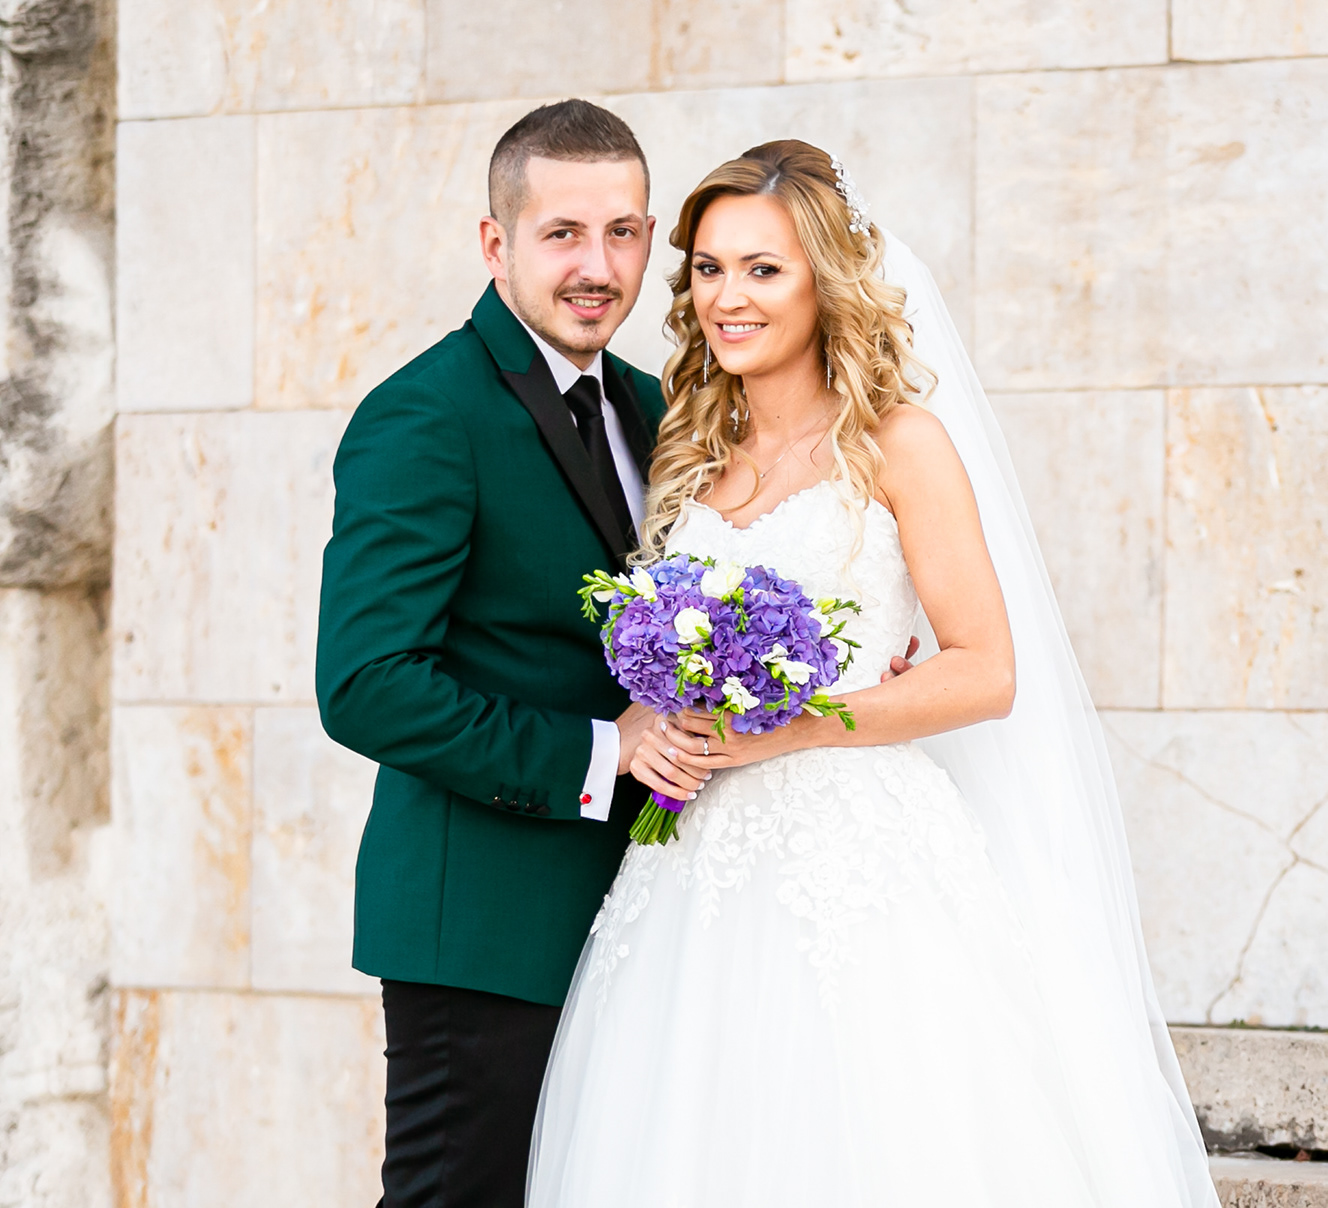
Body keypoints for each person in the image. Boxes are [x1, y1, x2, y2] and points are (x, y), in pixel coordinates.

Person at [526, 140, 1220, 1206]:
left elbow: (987, 670)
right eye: (709, 268)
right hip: (694, 864)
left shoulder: (901, 444)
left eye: (764, 268)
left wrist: (803, 721)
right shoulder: (689, 451)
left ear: (826, 280)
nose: (728, 297)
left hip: (858, 856)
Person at [315, 100, 715, 1205]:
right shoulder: (424, 413)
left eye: (622, 232)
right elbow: (365, 685)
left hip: (637, 916)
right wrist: (603, 750)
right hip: (483, 931)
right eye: (563, 233)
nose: (598, 266)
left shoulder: (654, 407)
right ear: (497, 243)